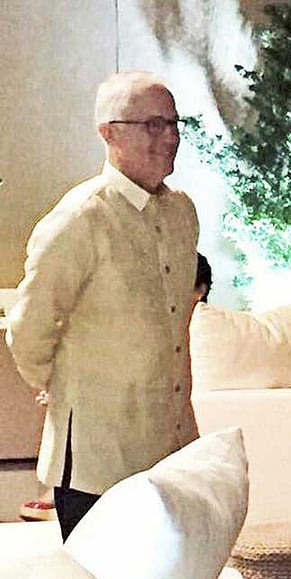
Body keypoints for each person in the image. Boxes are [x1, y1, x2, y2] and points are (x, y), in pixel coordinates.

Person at [5, 71, 200, 541]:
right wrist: (59, 386)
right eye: (153, 124)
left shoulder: (182, 213)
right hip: (98, 453)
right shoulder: (80, 218)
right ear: (108, 133)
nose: (170, 137)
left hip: (172, 444)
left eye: (174, 123)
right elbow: (28, 326)